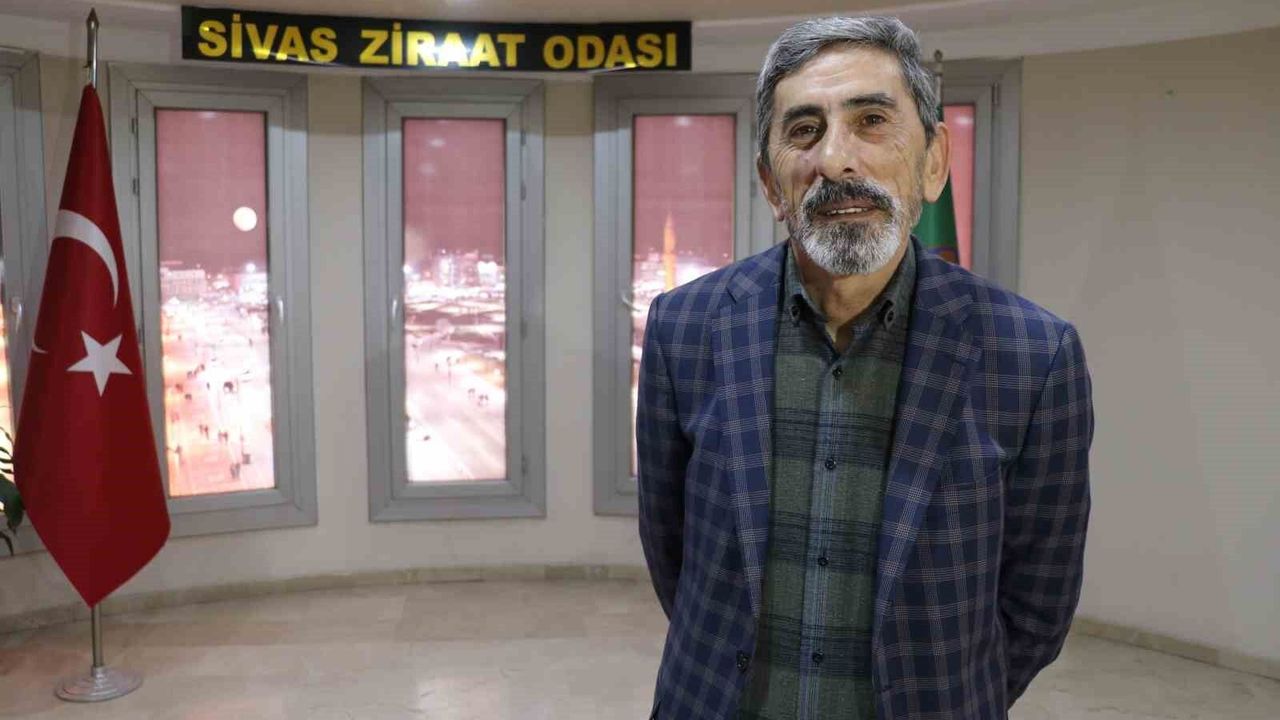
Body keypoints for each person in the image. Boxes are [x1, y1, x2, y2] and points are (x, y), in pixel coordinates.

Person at [636, 16, 1093, 720]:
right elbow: (673, 552)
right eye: (804, 130)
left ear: (933, 161)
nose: (837, 160)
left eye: (872, 121)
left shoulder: (1032, 354)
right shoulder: (685, 328)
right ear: (770, 183)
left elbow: (1040, 595)